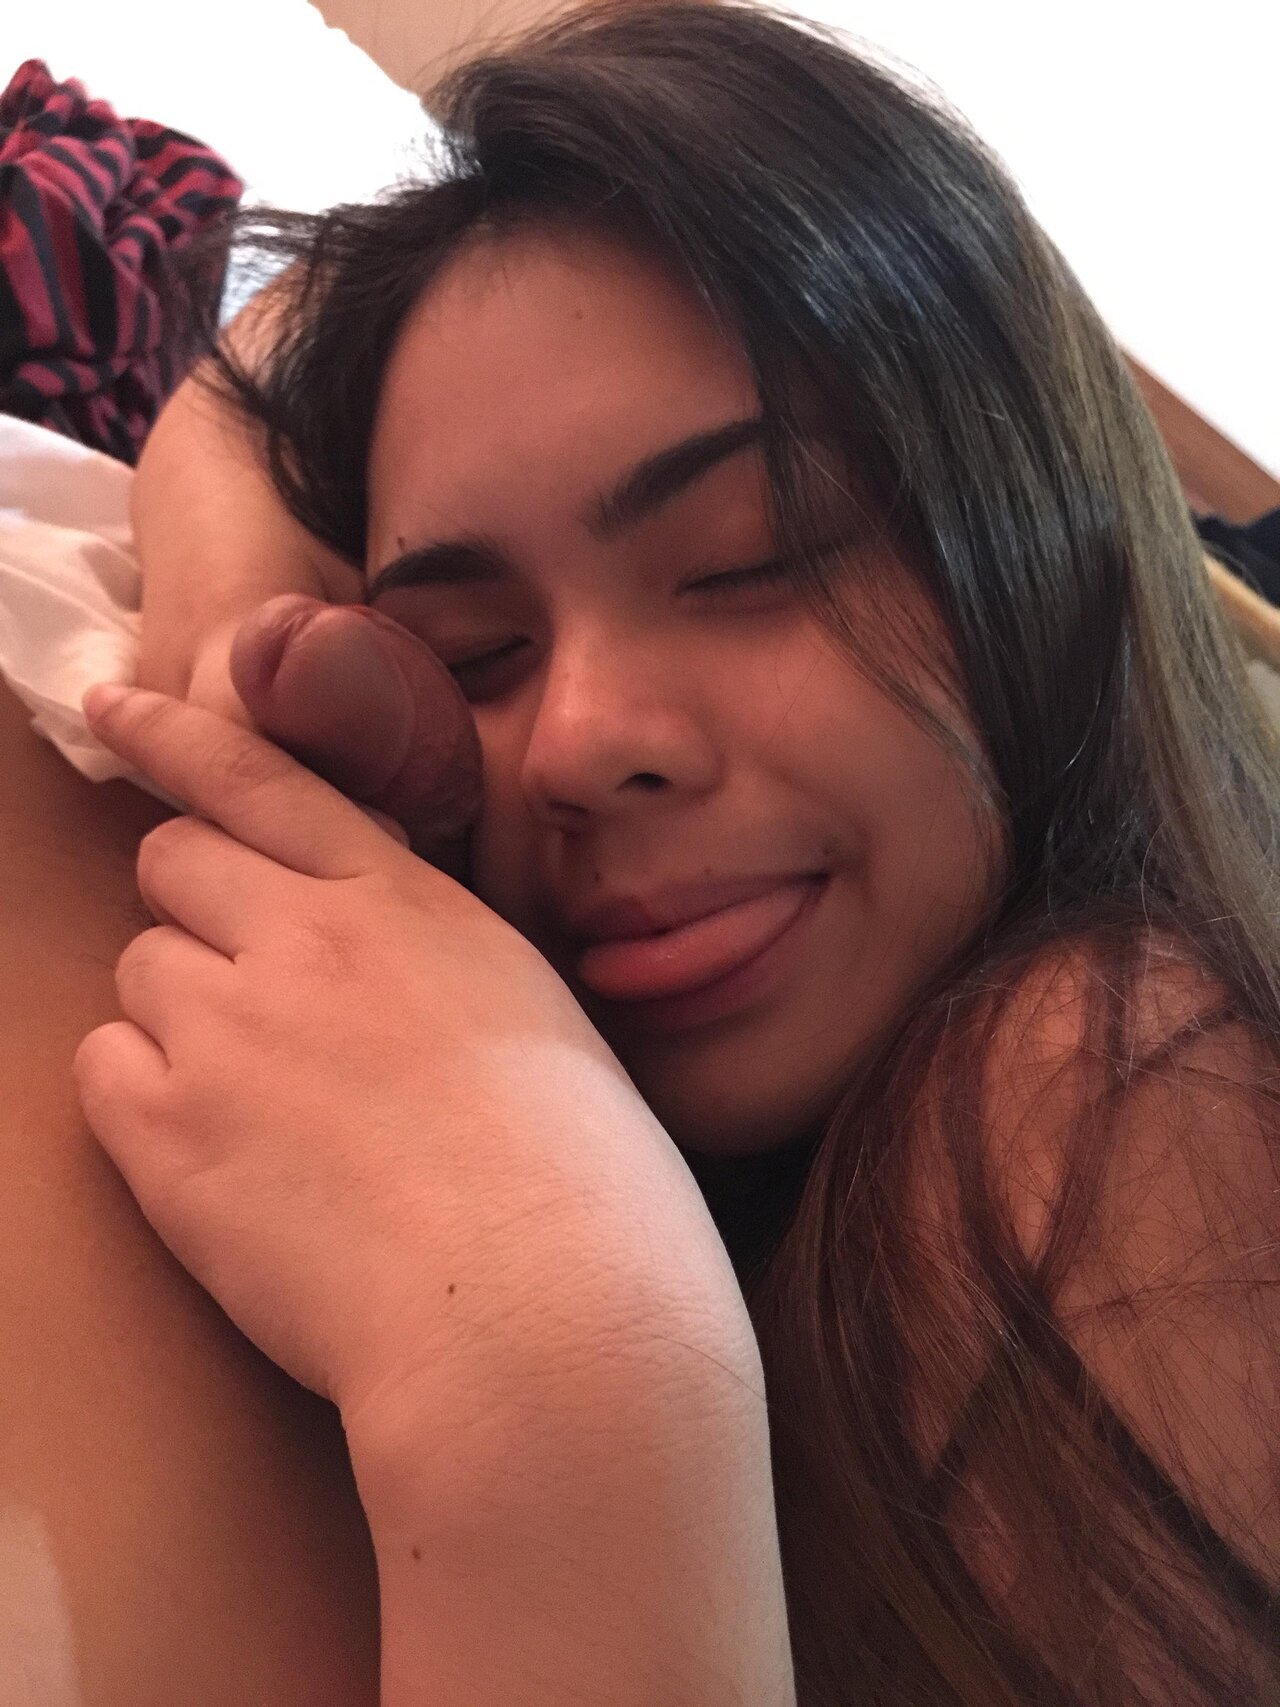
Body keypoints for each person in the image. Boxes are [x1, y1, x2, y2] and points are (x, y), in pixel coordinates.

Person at [79, 0, 1280, 1700]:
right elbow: (270, 331)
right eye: (476, 652)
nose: (574, 743)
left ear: (1041, 534)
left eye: (745, 558)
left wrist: (561, 1387)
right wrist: (231, 613)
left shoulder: (1110, 1070)